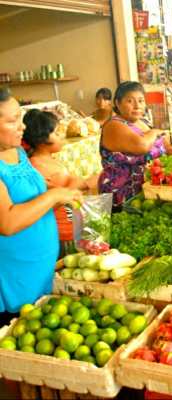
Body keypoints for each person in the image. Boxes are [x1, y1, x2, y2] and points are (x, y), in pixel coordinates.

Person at [0, 88, 81, 321]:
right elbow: (7, 222)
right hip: (13, 280)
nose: (22, 126)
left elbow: (30, 196)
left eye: (20, 118)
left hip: (39, 272)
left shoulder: (16, 151)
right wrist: (53, 197)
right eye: (13, 120)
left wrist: (62, 193)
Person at [22, 109, 99, 250]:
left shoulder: (50, 160)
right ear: (42, 140)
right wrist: (78, 184)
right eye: (57, 133)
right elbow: (64, 191)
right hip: (60, 229)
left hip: (71, 222)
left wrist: (77, 183)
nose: (62, 136)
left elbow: (71, 183)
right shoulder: (37, 165)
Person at [99, 81, 172, 208]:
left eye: (141, 101)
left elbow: (161, 143)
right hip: (121, 192)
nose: (137, 106)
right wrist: (154, 132)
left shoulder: (141, 122)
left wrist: (170, 150)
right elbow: (142, 146)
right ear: (117, 103)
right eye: (130, 101)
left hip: (143, 191)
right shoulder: (114, 125)